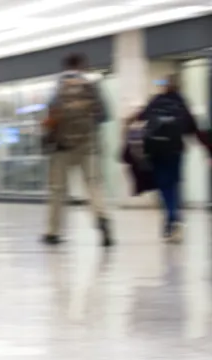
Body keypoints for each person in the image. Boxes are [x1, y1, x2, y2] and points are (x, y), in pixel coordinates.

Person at [42, 53, 113, 247]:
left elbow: (50, 113)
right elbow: (105, 115)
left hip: (61, 147)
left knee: (58, 189)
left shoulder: (58, 85)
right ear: (83, 66)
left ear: (65, 66)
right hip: (88, 146)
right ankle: (102, 218)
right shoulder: (92, 85)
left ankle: (52, 231)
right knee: (93, 185)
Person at [130, 74, 211, 242]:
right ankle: (174, 219)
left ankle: (171, 219)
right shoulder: (181, 103)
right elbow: (192, 128)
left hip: (156, 150)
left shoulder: (156, 101)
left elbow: (140, 118)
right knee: (174, 184)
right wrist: (207, 148)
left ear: (164, 86)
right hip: (175, 151)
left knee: (163, 185)